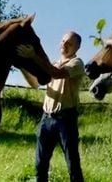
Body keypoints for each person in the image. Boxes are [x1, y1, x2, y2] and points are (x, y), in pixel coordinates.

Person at [19, 31, 86, 182]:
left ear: (77, 47)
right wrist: (22, 64)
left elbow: (56, 74)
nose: (64, 44)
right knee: (40, 165)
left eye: (69, 43)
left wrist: (33, 56)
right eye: (63, 41)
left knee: (73, 165)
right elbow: (34, 83)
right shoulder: (52, 64)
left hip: (66, 120)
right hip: (46, 119)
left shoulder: (77, 63)